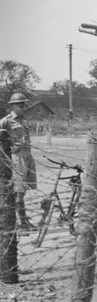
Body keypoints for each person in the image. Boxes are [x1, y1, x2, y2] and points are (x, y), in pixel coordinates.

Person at [0, 93, 37, 231]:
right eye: (19, 104)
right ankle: (21, 222)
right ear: (12, 106)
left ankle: (22, 219)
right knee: (18, 191)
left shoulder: (24, 120)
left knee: (24, 190)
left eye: (23, 104)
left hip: (28, 158)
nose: (22, 106)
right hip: (16, 159)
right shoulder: (6, 121)